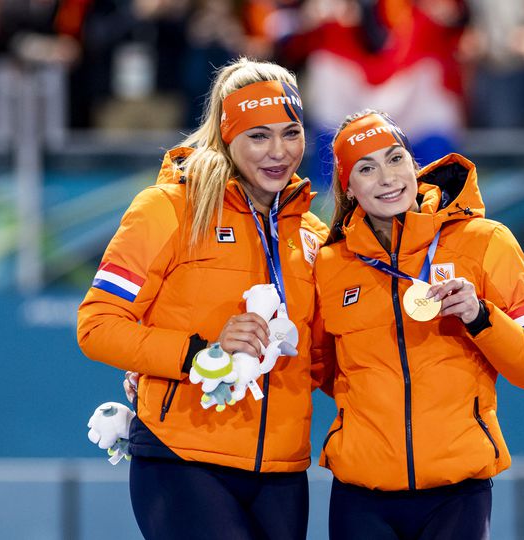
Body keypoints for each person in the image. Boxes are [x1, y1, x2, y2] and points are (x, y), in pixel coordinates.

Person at [77, 57, 329, 540]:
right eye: (258, 136)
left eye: (290, 132)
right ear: (226, 137)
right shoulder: (170, 208)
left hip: (283, 470)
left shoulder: (312, 236)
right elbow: (97, 326)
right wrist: (199, 353)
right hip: (182, 457)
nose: (279, 151)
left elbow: (324, 362)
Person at [311, 110, 524, 539]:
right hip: (360, 497)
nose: (386, 177)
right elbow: (323, 368)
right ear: (348, 188)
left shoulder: (484, 241)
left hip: (456, 494)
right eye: (366, 168)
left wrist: (481, 317)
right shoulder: (331, 265)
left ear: (415, 166)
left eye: (394, 159)